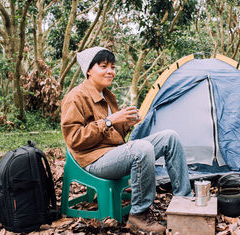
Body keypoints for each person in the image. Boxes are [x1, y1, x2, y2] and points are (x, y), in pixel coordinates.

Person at [60, 47, 191, 234]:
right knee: (142, 148)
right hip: (92, 159)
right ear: (89, 70)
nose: (110, 71)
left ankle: (184, 200)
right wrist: (109, 121)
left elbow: (114, 134)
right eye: (103, 66)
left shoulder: (108, 95)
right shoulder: (76, 96)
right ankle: (139, 215)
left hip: (112, 153)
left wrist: (126, 123)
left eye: (112, 67)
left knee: (170, 137)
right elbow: (74, 139)